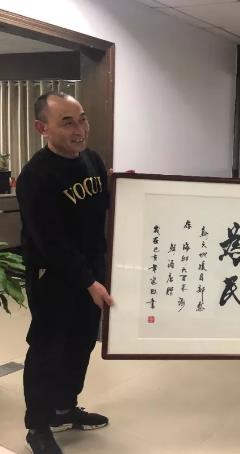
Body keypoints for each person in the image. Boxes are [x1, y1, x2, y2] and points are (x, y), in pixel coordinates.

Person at [17, 92, 115, 454]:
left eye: (83, 119)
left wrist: (128, 189)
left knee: (81, 343)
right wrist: (88, 282)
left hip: (91, 273)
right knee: (48, 349)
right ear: (42, 128)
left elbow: (104, 208)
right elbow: (51, 242)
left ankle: (63, 408)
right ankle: (37, 427)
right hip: (54, 277)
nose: (80, 129)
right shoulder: (35, 176)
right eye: (67, 122)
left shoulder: (92, 160)